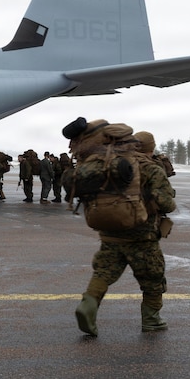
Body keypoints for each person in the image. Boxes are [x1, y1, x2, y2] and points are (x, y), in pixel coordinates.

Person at [64, 117, 177, 336]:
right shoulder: (149, 167)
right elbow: (167, 204)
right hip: (142, 235)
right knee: (152, 277)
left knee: (104, 272)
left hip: (109, 233)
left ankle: (88, 305)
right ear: (149, 148)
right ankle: (152, 320)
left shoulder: (103, 162)